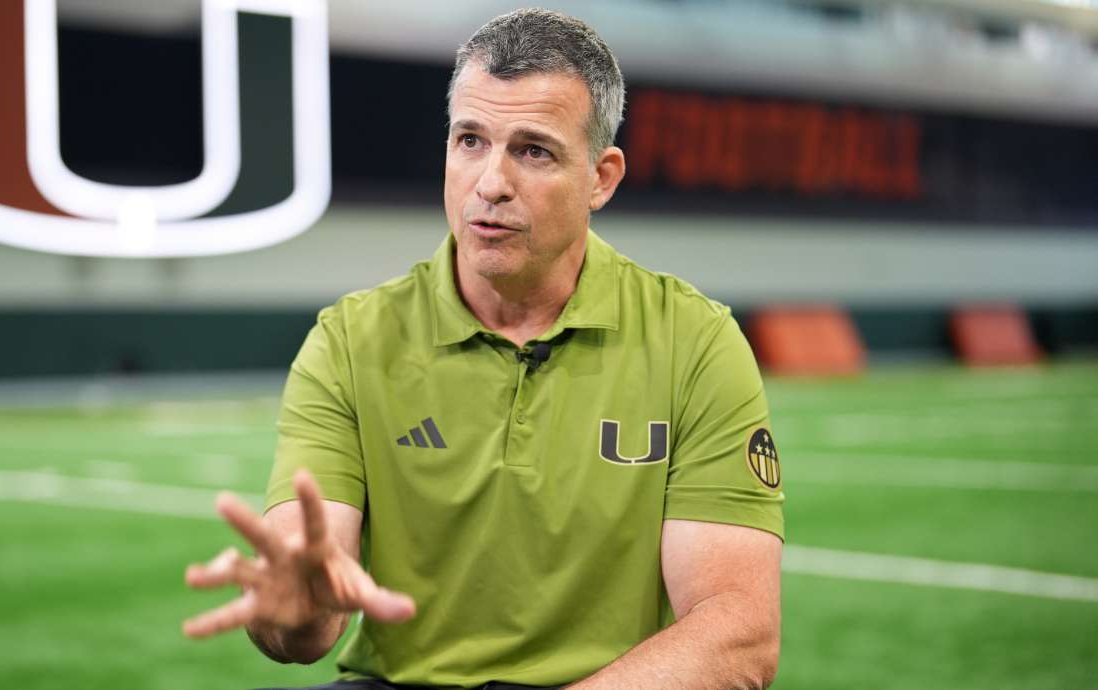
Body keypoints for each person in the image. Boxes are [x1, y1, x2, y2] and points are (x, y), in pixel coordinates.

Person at [183, 9, 784, 689]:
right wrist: (294, 609)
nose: (489, 183)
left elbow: (738, 632)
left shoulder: (694, 343)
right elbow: (309, 616)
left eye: (533, 150)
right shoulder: (350, 341)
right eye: (470, 140)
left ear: (602, 177)